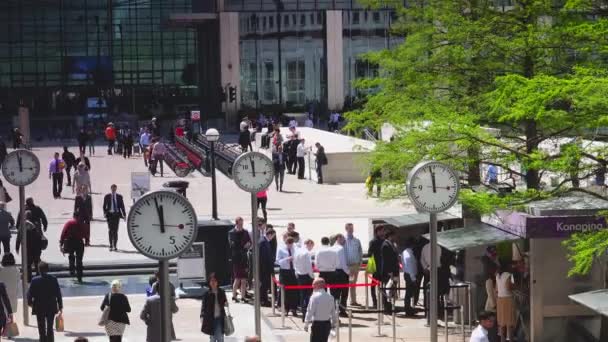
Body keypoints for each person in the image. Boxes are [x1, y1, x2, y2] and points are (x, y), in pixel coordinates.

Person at [27, 261, 63, 342]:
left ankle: (42, 340)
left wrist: (30, 303)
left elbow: (30, 294)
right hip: (51, 306)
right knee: (50, 327)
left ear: (39, 270)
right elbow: (58, 293)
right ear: (48, 269)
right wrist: (60, 306)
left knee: (41, 327)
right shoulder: (53, 279)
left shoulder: (34, 280)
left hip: (39, 307)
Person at [304, 277, 337, 342]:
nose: (312, 287)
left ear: (317, 285)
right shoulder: (331, 297)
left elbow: (310, 311)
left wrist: (306, 323)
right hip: (327, 324)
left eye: (313, 285)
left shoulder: (314, 297)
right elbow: (333, 312)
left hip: (317, 324)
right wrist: (333, 323)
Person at [16, 210, 44, 282]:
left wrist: (17, 247)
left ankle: (29, 278)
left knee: (28, 264)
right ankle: (39, 277)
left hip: (27, 247)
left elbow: (19, 236)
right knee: (36, 262)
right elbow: (40, 235)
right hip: (36, 247)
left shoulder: (23, 224)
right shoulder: (36, 223)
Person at [229, 217, 251, 302]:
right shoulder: (231, 233)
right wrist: (243, 245)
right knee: (237, 278)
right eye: (240, 223)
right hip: (236, 258)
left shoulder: (245, 232)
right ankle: (234, 296)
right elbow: (232, 245)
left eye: (242, 223)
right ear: (236, 223)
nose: (242, 225)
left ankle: (243, 296)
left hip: (244, 257)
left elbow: (249, 241)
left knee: (244, 278)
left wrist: (248, 244)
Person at [201, 273, 228, 342]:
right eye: (211, 281)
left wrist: (226, 303)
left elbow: (225, 302)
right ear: (209, 282)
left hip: (219, 318)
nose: (213, 282)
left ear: (217, 282)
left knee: (220, 338)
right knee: (212, 338)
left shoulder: (221, 292)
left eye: (214, 281)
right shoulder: (206, 294)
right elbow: (203, 306)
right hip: (210, 319)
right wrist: (202, 316)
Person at [277, 237, 299, 316]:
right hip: (284, 271)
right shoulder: (281, 250)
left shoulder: (295, 249)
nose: (290, 246)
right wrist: (287, 259)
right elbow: (278, 261)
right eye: (289, 244)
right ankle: (285, 308)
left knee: (294, 291)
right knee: (285, 291)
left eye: (291, 244)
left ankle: (294, 308)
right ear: (286, 243)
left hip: (293, 271)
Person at [60, 215, 85, 283]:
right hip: (79, 242)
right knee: (79, 260)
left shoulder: (69, 223)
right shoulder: (81, 223)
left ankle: (72, 270)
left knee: (71, 256)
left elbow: (63, 233)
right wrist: (87, 240)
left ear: (74, 216)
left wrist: (61, 243)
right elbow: (85, 232)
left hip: (70, 242)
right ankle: (79, 277)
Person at [342, 223, 362, 306]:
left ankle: (353, 301)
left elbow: (360, 251)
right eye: (349, 228)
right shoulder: (343, 241)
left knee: (353, 283)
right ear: (346, 229)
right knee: (346, 284)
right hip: (346, 266)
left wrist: (360, 262)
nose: (351, 230)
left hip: (355, 265)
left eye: (352, 228)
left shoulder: (357, 240)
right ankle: (344, 302)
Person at [294, 239, 315, 321]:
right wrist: (312, 276)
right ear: (309, 244)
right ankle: (307, 315)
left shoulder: (297, 251)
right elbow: (309, 267)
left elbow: (295, 264)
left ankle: (304, 314)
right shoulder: (306, 253)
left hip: (299, 276)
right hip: (307, 277)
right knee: (308, 297)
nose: (311, 248)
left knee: (302, 296)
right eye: (312, 246)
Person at [381, 229, 400, 313]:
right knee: (387, 288)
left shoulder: (392, 244)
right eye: (393, 236)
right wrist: (389, 271)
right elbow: (386, 260)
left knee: (393, 289)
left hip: (394, 270)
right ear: (390, 236)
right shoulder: (385, 245)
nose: (395, 237)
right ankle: (387, 307)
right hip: (389, 272)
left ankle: (392, 305)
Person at [103, 184, 126, 251]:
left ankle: (115, 245)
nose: (113, 190)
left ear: (116, 189)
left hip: (116, 215)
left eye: (114, 188)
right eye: (112, 188)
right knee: (110, 230)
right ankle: (110, 245)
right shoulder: (107, 196)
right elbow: (104, 206)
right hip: (110, 215)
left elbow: (122, 206)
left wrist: (124, 215)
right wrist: (104, 213)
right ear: (111, 189)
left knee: (115, 231)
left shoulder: (119, 197)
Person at [496, 263, 515, 341]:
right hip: (507, 300)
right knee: (509, 323)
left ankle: (502, 340)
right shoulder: (508, 275)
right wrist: (513, 286)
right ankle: (510, 340)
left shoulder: (497, 275)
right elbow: (508, 288)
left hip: (500, 300)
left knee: (502, 323)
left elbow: (496, 289)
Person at [332, 234, 349, 316]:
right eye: (343, 239)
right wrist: (348, 272)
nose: (344, 241)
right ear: (338, 239)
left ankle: (335, 310)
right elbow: (343, 263)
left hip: (333, 272)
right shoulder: (340, 249)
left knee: (335, 293)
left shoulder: (331, 248)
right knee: (344, 292)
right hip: (341, 272)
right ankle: (342, 310)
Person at [368, 225, 384, 308]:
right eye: (381, 231)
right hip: (376, 267)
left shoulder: (385, 241)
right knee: (373, 286)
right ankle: (375, 302)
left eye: (383, 231)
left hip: (384, 267)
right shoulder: (373, 242)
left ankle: (383, 302)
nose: (382, 232)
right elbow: (369, 253)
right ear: (377, 232)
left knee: (384, 286)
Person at [259, 228, 276, 307]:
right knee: (263, 285)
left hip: (266, 267)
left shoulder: (265, 241)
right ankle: (263, 300)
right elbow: (263, 257)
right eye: (272, 236)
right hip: (264, 268)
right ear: (269, 234)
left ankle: (264, 299)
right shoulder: (263, 242)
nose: (272, 238)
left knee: (265, 285)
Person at [401, 239, 418, 316]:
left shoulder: (405, 252)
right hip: (409, 275)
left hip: (408, 274)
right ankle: (408, 309)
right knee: (409, 293)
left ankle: (408, 308)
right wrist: (413, 278)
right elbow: (410, 267)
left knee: (409, 293)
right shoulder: (409, 254)